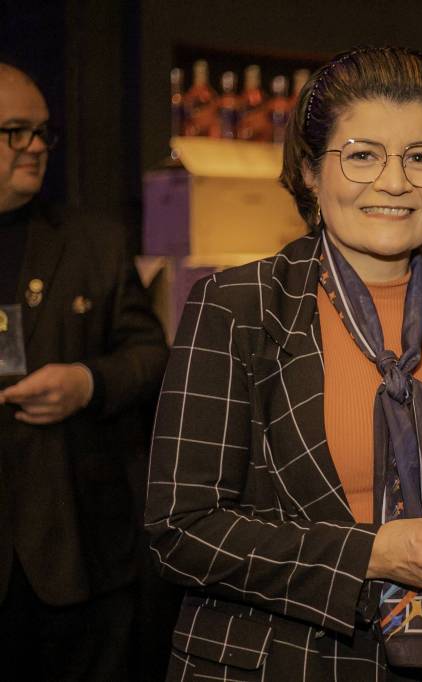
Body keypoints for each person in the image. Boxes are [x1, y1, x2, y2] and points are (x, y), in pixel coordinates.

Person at [145, 46, 422, 682]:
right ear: (311, 171)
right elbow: (181, 531)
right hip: (284, 662)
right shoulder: (240, 306)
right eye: (362, 155)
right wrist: (371, 554)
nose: (394, 182)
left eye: (420, 157)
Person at [0, 63, 169, 680]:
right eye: (15, 132)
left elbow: (151, 356)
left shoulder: (93, 242)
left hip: (77, 554)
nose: (36, 147)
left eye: (43, 132)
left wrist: (87, 383)